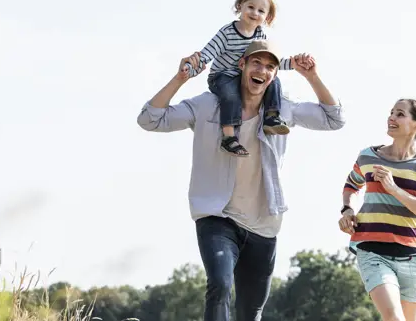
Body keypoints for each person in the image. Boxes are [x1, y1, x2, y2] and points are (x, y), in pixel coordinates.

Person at [137, 39, 345, 321]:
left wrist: (312, 76)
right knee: (220, 285)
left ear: (274, 74)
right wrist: (180, 78)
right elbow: (150, 119)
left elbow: (334, 119)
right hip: (217, 216)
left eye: (270, 66)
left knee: (250, 312)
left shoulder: (281, 111)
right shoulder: (208, 105)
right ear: (241, 65)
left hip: (263, 224)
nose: (263, 70)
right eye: (256, 62)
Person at [338, 99, 416, 321]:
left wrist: (394, 188)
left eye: (400, 114)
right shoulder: (368, 156)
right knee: (394, 318)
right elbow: (351, 186)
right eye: (391, 113)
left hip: (413, 258)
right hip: (373, 251)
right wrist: (347, 209)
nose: (391, 118)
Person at [182, 0, 312, 158]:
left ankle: (271, 117)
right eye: (251, 7)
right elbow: (208, 53)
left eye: (261, 11)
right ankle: (228, 137)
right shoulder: (227, 33)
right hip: (222, 76)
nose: (254, 13)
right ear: (240, 6)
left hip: (243, 76)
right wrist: (190, 68)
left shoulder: (260, 36)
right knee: (231, 94)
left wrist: (294, 64)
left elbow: (272, 63)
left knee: (273, 80)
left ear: (267, 17)